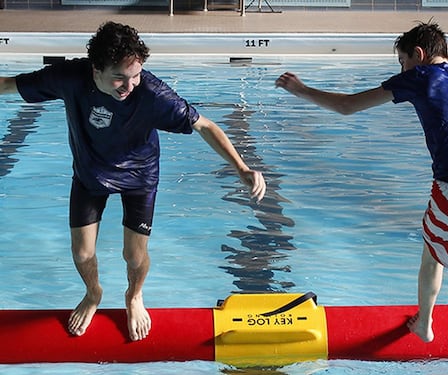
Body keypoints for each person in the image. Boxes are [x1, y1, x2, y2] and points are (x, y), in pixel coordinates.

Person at [275, 21, 448, 375]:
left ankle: (425, 323)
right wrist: (445, 50)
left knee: (432, 256)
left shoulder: (418, 78)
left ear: (418, 57)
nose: (400, 70)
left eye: (402, 61)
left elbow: (347, 106)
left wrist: (301, 89)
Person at [0, 22, 266, 342]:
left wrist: (241, 167)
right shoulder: (69, 78)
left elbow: (204, 125)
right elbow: (7, 85)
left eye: (136, 74)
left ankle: (134, 296)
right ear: (95, 69)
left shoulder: (152, 95)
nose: (130, 85)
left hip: (139, 176)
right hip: (91, 173)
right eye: (119, 76)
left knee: (134, 256)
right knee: (83, 253)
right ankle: (93, 293)